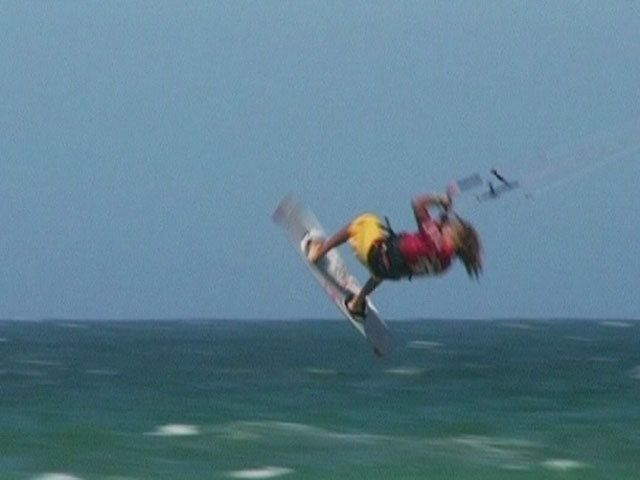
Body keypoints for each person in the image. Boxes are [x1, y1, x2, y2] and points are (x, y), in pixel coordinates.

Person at [306, 192, 482, 317]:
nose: (449, 225)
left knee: (364, 221)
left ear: (457, 237)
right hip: (388, 271)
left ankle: (319, 252)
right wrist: (439, 223)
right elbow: (425, 247)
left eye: (452, 227)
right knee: (388, 266)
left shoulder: (435, 240)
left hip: (375, 256)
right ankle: (356, 303)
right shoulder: (445, 264)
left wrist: (438, 199)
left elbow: (417, 203)